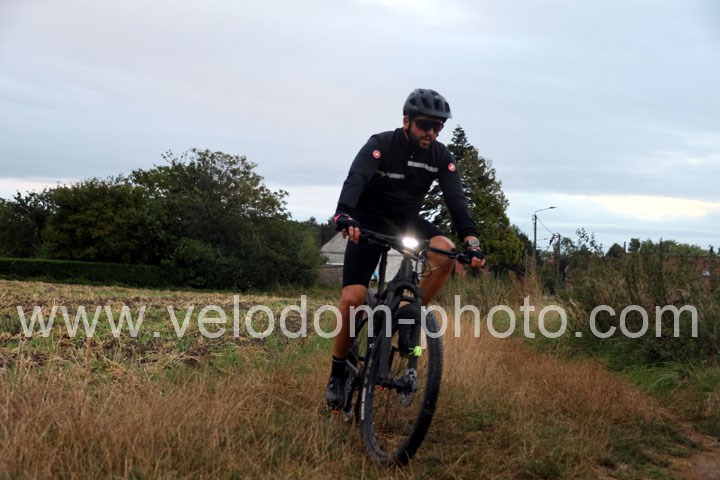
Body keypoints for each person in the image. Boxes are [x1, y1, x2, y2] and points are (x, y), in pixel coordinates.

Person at [326, 88, 487, 409]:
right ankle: (337, 372)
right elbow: (356, 177)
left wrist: (471, 241)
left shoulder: (440, 157)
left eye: (438, 127)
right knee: (353, 298)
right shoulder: (381, 145)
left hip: (405, 222)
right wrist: (344, 213)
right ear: (406, 121)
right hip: (368, 222)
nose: (432, 132)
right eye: (425, 125)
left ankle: (408, 316)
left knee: (444, 250)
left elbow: (456, 199)